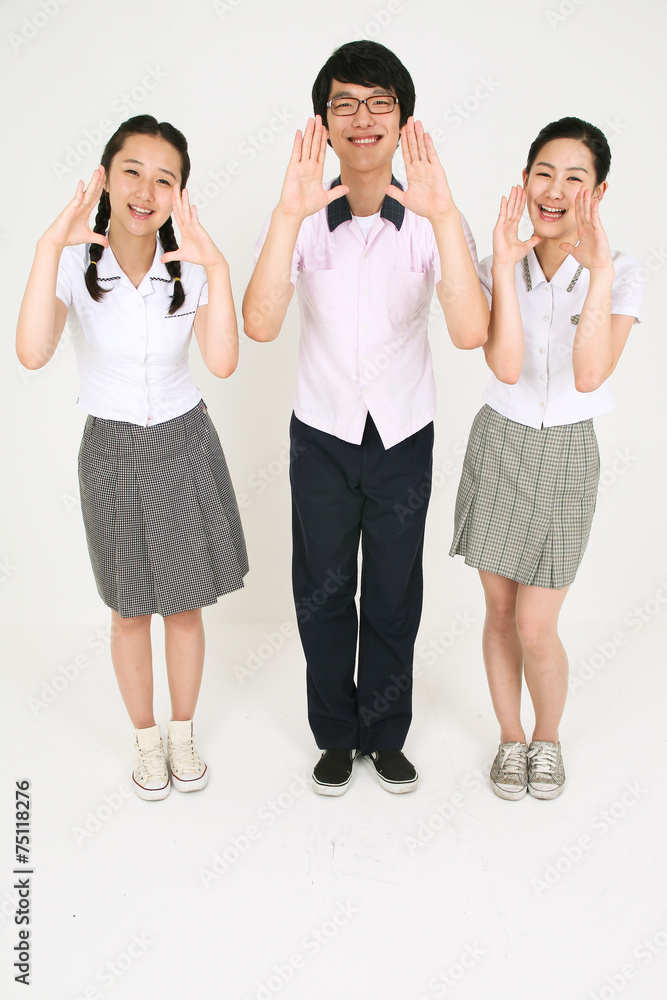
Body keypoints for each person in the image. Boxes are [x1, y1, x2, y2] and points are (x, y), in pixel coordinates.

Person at [243, 40, 488, 795]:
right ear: (323, 123)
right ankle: (334, 735)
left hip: (402, 433)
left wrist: (445, 215)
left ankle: (384, 735)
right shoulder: (301, 215)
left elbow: (470, 332)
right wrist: (285, 217)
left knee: (391, 592)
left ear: (403, 121)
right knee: (321, 590)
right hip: (320, 431)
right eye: (344, 103)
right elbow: (259, 324)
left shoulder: (432, 215)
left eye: (379, 103)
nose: (362, 117)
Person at [16, 115, 248, 801]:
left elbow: (223, 363)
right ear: (105, 179)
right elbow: (31, 352)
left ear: (180, 194)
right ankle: (145, 741)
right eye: (132, 172)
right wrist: (46, 245)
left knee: (184, 606)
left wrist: (218, 268)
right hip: (112, 447)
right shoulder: (71, 264)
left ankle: (182, 734)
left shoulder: (191, 268)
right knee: (128, 609)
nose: (146, 191)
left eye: (164, 179)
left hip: (184, 440)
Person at [449, 117, 643, 800]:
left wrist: (597, 272)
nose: (554, 190)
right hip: (499, 443)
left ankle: (548, 737)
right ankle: (510, 738)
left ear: (598, 191)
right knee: (501, 613)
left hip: (565, 452)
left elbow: (589, 375)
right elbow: (505, 367)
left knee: (536, 625)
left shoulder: (621, 272)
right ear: (525, 180)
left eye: (574, 178)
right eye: (544, 173)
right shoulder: (497, 261)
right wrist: (503, 267)